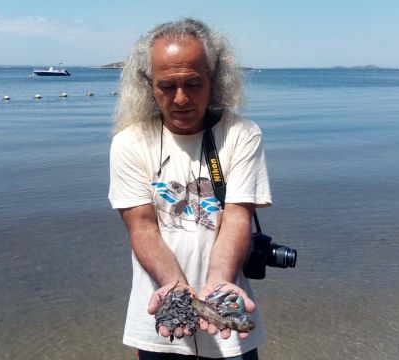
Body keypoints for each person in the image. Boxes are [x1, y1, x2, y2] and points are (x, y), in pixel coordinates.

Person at [109, 18, 271, 360]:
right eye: (167, 86)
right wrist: (175, 288)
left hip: (226, 310)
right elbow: (142, 226)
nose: (181, 98)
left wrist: (217, 285)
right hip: (161, 314)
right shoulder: (130, 143)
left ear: (213, 81)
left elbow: (238, 219)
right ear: (149, 86)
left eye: (194, 83)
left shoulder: (242, 135)